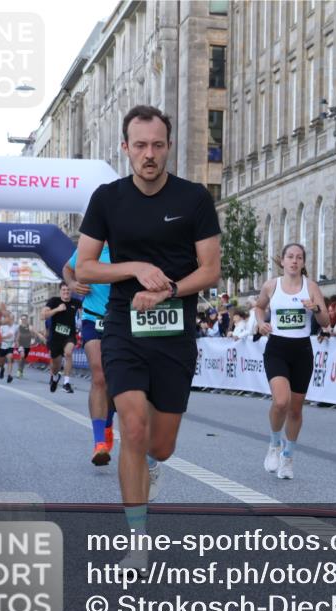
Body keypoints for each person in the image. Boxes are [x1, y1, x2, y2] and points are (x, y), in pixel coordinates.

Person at [75, 105, 221, 571]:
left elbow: (211, 270)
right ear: (125, 148)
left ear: (169, 146)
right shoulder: (107, 198)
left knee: (160, 446)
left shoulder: (195, 198)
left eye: (157, 145)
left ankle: (150, 465)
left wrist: (170, 291)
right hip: (122, 328)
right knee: (133, 427)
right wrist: (135, 268)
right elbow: (84, 267)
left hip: (175, 331)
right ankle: (137, 540)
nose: (149, 154)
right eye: (139, 146)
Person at [253, 243, 331, 481]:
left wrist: (315, 307)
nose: (294, 261)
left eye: (299, 257)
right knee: (281, 402)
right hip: (277, 348)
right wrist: (261, 322)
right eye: (290, 257)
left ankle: (288, 457)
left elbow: (326, 319)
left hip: (302, 351)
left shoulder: (311, 287)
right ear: (283, 261)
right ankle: (274, 444)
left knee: (295, 409)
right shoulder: (271, 285)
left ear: (304, 262)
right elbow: (259, 306)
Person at [67, 244, 118, 466]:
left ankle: (107, 424)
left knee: (117, 381)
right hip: (93, 317)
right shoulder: (93, 246)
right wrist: (73, 284)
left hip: (123, 320)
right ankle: (99, 443)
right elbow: (67, 269)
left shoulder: (131, 243)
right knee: (99, 376)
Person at [42, 283, 81, 394]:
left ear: (71, 291)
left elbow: (85, 312)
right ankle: (55, 378)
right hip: (55, 338)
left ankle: (66, 383)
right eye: (64, 290)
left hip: (70, 335)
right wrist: (57, 310)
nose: (66, 292)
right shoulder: (54, 301)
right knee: (55, 365)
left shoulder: (76, 303)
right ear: (60, 291)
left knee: (68, 353)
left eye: (68, 290)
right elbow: (43, 315)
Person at [15, 314, 44, 378]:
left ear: (27, 320)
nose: (23, 320)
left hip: (27, 345)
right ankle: (19, 371)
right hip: (20, 344)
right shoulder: (19, 327)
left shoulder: (30, 327)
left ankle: (21, 370)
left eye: (25, 319)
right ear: (21, 320)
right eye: (22, 319)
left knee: (23, 359)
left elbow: (35, 332)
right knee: (22, 356)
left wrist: (40, 335)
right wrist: (18, 345)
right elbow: (17, 337)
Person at [0, 318, 18, 382]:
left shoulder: (15, 326)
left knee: (10, 358)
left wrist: (16, 340)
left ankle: (9, 375)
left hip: (11, 345)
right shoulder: (2, 327)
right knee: (1, 360)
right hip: (3, 345)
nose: (11, 321)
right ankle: (2, 368)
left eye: (12, 319)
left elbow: (14, 334)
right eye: (9, 319)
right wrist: (4, 337)